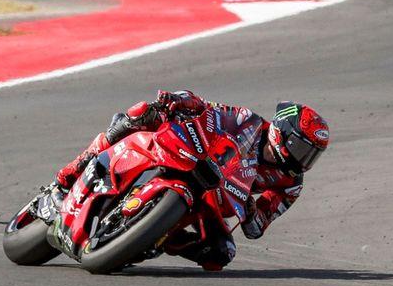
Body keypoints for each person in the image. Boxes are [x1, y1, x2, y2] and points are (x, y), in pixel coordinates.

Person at [55, 90, 329, 271]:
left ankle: (157, 238)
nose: (303, 160)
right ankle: (73, 171)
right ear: (282, 132)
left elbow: (257, 228)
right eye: (302, 149)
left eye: (311, 156)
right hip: (193, 157)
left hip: (215, 199)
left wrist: (248, 208)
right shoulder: (248, 121)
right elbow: (206, 108)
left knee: (221, 253)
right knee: (140, 113)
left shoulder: (291, 184)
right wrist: (181, 101)